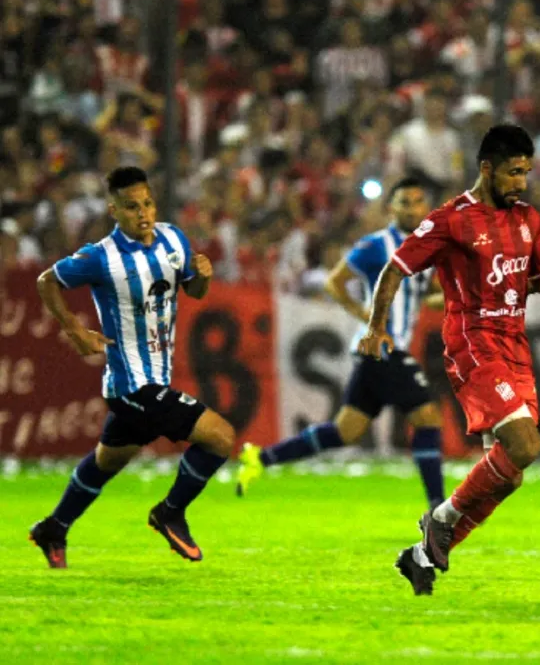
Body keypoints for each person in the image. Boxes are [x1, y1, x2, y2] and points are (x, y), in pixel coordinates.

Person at [356, 124, 540, 595]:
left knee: (509, 478)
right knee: (526, 446)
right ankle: (440, 520)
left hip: (514, 346)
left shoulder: (528, 218)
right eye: (513, 173)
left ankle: (423, 553)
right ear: (486, 168)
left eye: (526, 172)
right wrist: (376, 325)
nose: (521, 182)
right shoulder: (450, 220)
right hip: (473, 343)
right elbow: (395, 267)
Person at [28, 166, 236, 568]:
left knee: (106, 463)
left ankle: (54, 527)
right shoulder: (100, 257)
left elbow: (192, 288)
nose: (143, 213)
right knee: (221, 438)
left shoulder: (173, 237)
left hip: (153, 379)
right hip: (131, 386)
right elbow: (45, 280)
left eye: (147, 203)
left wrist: (203, 278)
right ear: (114, 210)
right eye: (131, 207)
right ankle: (170, 512)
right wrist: (74, 329)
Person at [234, 178, 446, 509]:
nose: (412, 208)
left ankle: (261, 458)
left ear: (426, 209)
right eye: (404, 202)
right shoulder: (376, 245)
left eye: (418, 202)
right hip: (381, 349)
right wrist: (367, 316)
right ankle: (439, 508)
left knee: (346, 430)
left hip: (382, 351)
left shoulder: (425, 251)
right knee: (428, 418)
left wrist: (453, 299)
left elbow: (427, 296)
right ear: (391, 208)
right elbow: (335, 283)